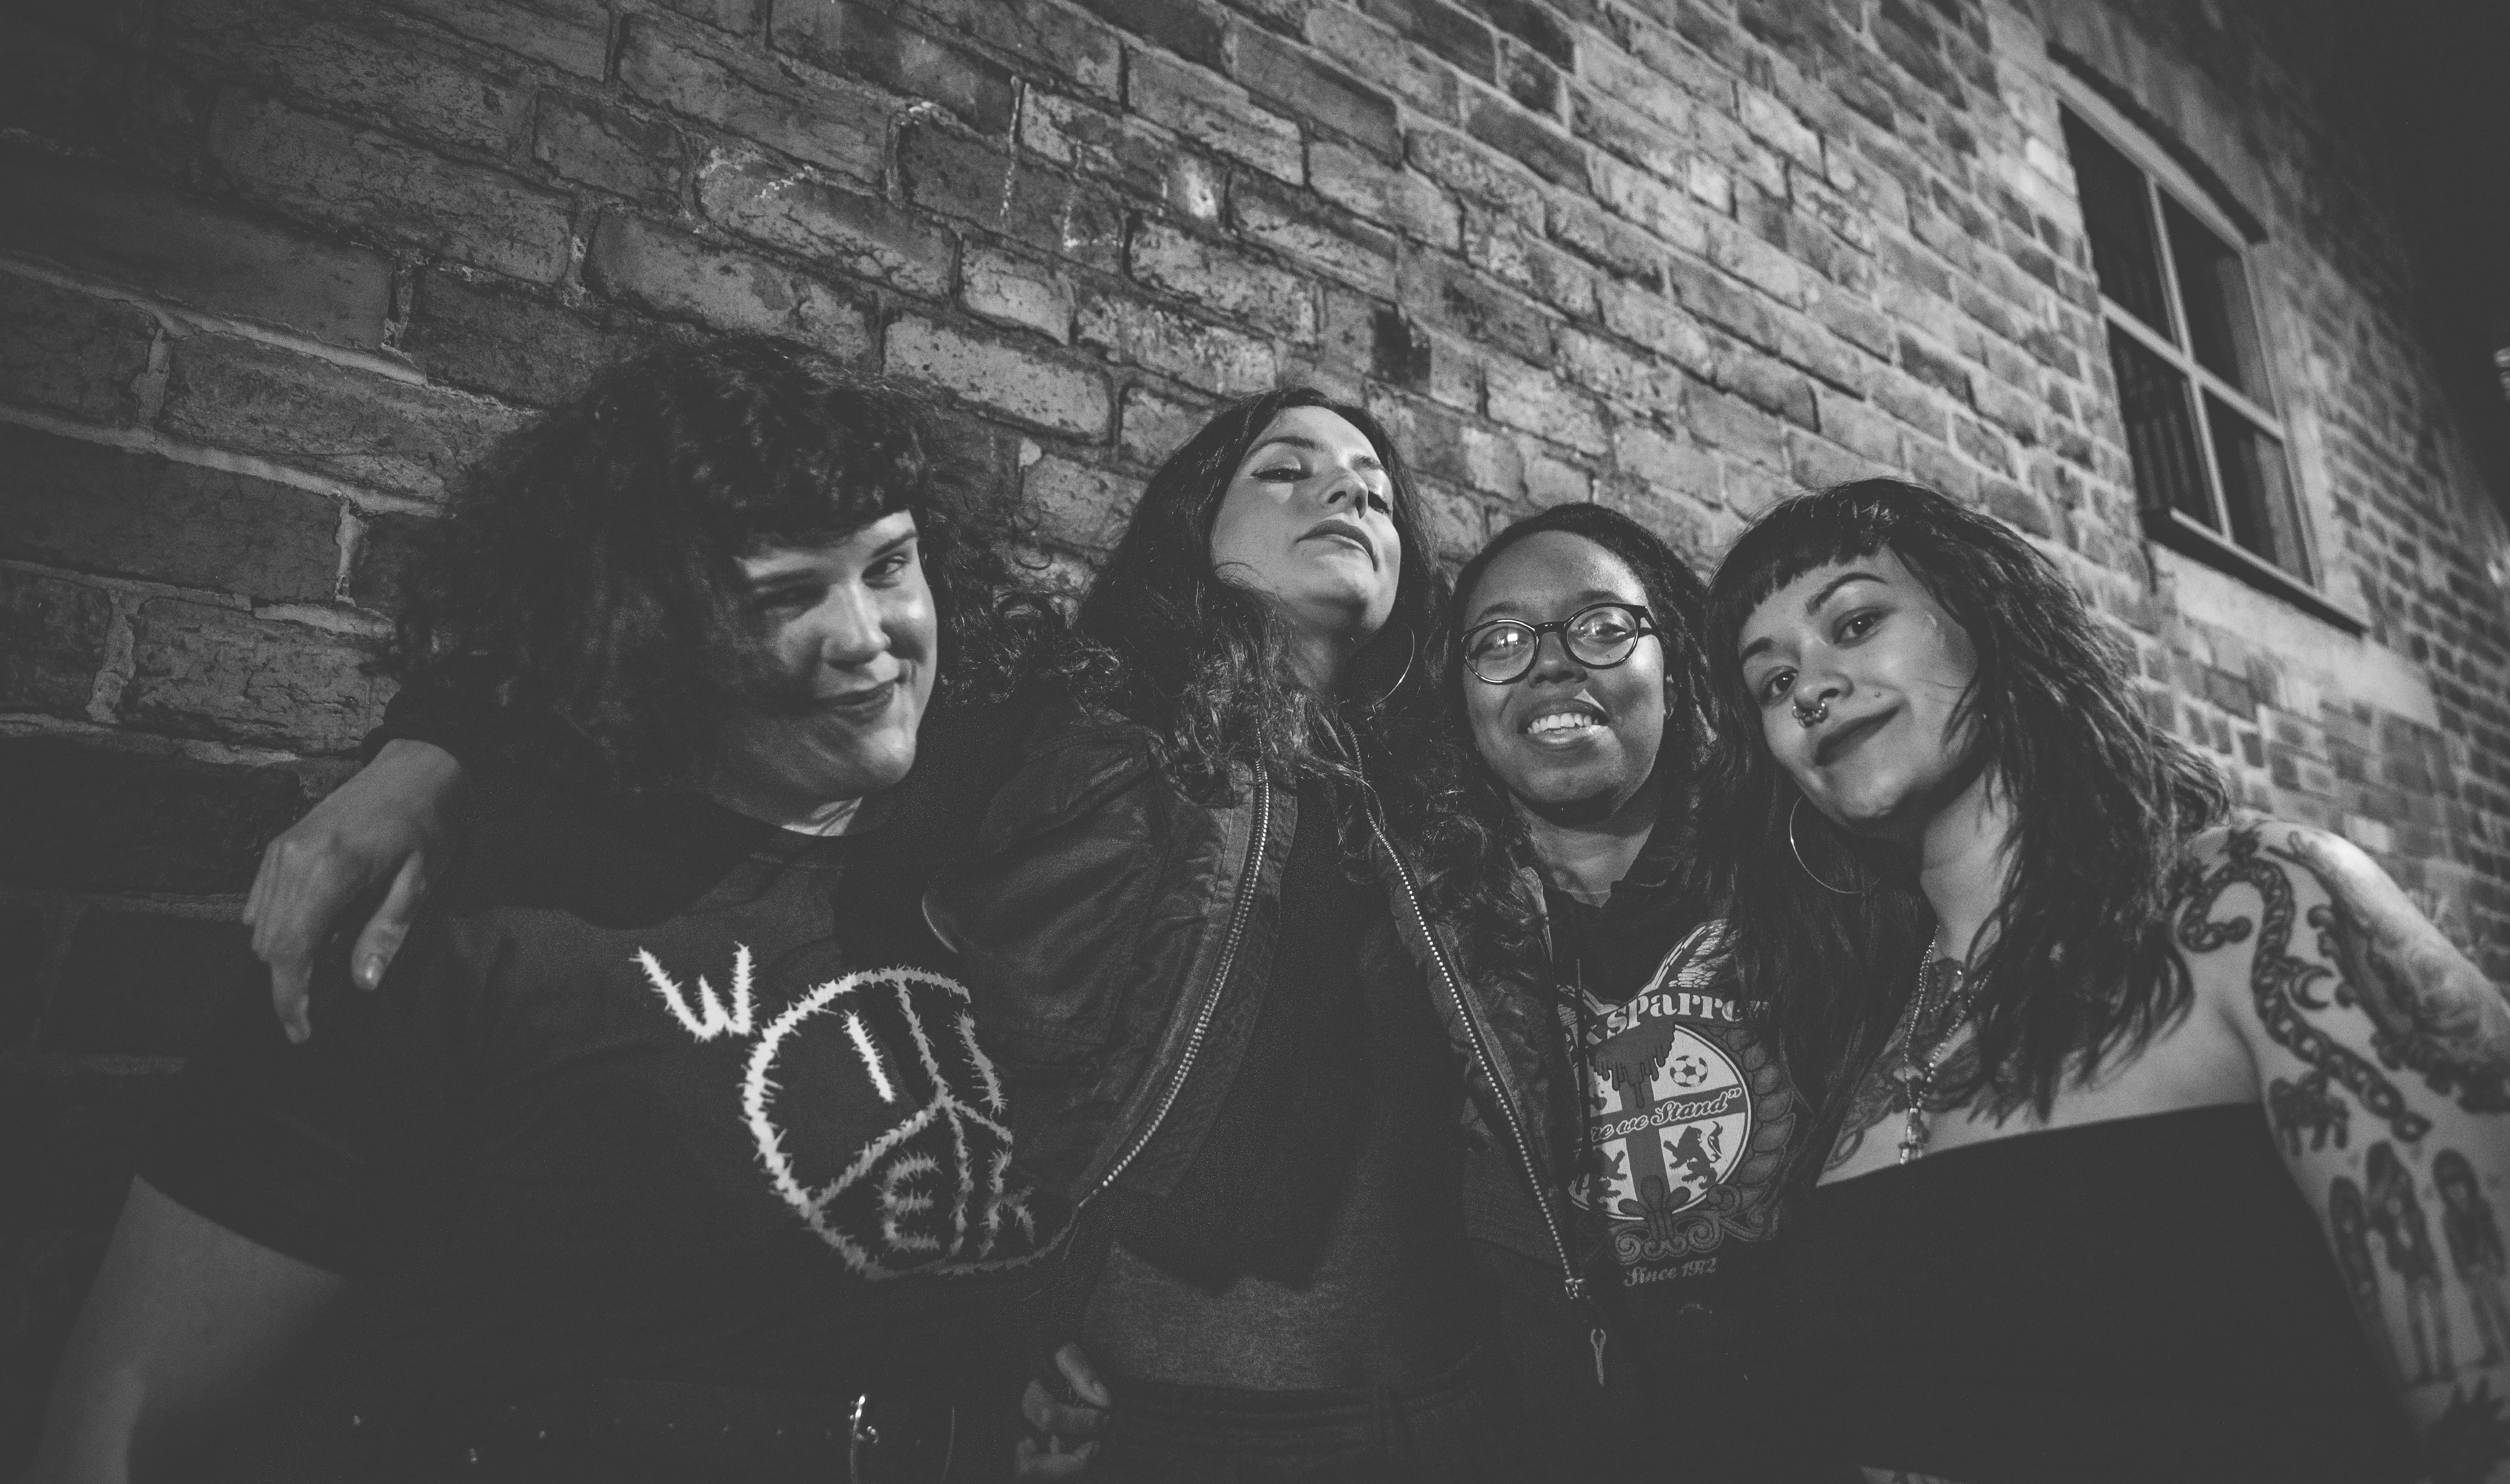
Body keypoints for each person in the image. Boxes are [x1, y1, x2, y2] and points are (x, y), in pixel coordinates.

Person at [28, 340, 1073, 1483]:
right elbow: (119, 1428)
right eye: (784, 596)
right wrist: (429, 753)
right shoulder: (447, 925)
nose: (868, 635)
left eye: (890, 565)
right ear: (650, 624)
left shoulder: (1009, 848)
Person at [1711, 477, 2510, 1483]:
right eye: (1772, 681)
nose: (1810, 688)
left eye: (1855, 623)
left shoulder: (2258, 906)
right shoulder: (1854, 1036)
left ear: (1988, 623)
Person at [931, 387, 1585, 1481]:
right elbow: (981, 1050)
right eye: (1286, 469)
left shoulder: (1442, 802)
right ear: (1196, 524)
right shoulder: (1110, 744)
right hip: (1184, 1424)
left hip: (1460, 1413)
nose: (1347, 496)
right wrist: (1008, 1319)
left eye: (1376, 494)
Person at [1443, 503, 1901, 1479]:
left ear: (1677, 666)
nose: (1550, 663)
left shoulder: (1816, 876)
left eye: (1602, 626)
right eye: (1500, 641)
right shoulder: (1434, 942)